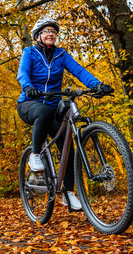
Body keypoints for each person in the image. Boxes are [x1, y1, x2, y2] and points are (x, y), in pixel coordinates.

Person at [16, 17, 113, 210]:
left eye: (53, 31)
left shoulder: (61, 55)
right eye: (45, 31)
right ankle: (35, 155)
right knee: (42, 111)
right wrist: (28, 87)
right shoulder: (30, 53)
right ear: (38, 36)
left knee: (68, 147)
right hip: (29, 103)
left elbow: (79, 71)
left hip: (52, 109)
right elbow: (22, 73)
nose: (50, 33)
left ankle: (68, 193)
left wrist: (97, 85)